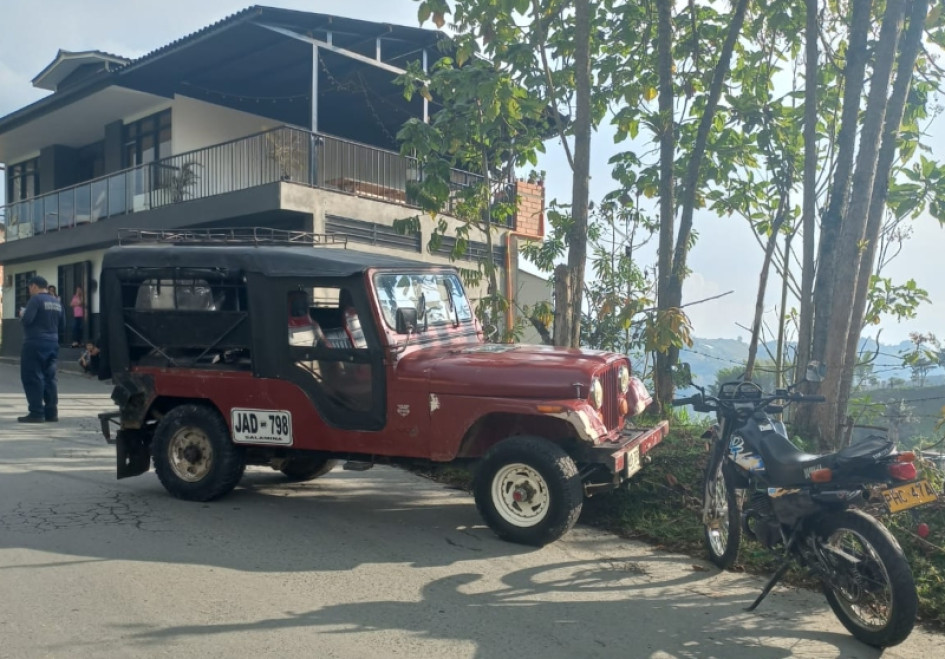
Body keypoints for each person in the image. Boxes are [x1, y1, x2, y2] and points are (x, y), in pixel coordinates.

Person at [18, 275, 64, 423]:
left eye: (29, 288)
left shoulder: (36, 300)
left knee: (33, 376)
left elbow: (27, 320)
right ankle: (51, 412)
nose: (30, 291)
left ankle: (36, 412)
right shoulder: (56, 302)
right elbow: (63, 325)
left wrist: (22, 314)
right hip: (52, 342)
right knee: (50, 378)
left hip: (34, 343)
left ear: (34, 286)